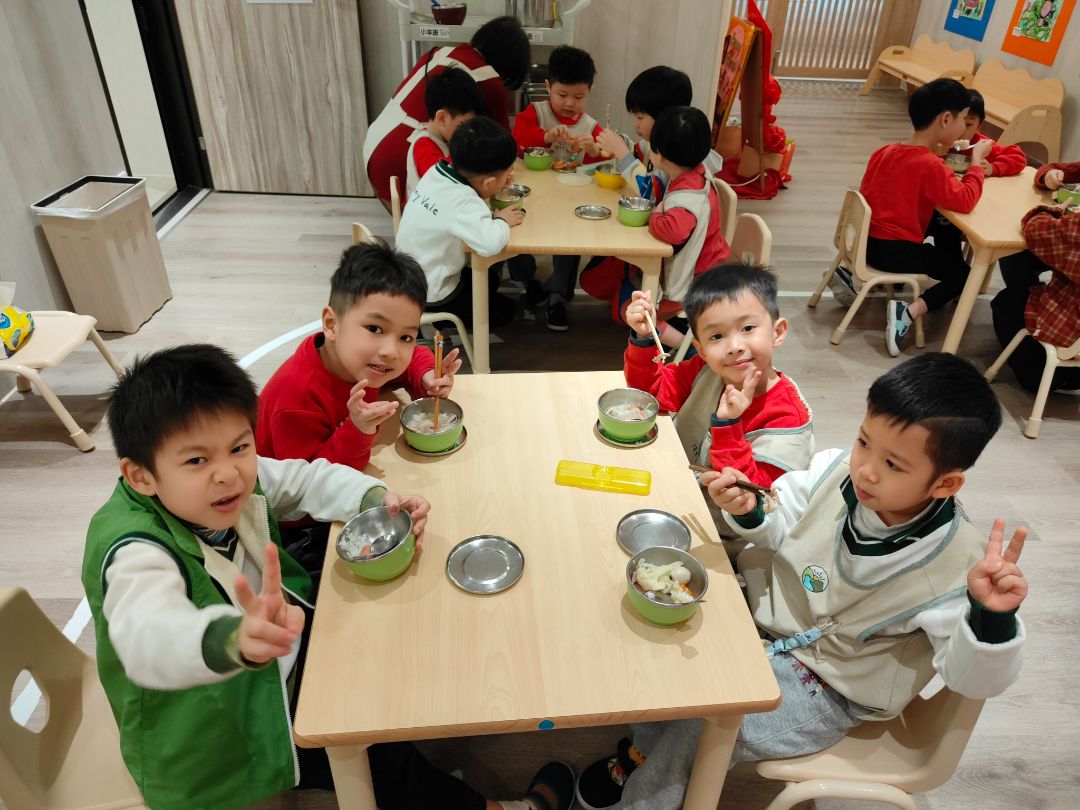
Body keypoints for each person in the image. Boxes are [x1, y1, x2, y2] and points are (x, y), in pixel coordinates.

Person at [82, 344, 575, 810]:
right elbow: (147, 636)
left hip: (272, 665)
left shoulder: (229, 481)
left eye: (239, 446)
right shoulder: (133, 549)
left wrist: (378, 500)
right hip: (213, 738)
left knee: (380, 652)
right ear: (140, 476)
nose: (228, 473)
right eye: (197, 460)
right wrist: (231, 639)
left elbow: (304, 480)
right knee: (376, 749)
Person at [578, 353, 1028, 810]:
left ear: (945, 484)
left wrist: (993, 619)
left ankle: (642, 798)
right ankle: (644, 753)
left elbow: (973, 680)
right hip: (768, 628)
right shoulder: (834, 472)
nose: (866, 469)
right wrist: (749, 510)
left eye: (893, 464)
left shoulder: (961, 568)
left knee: (705, 725)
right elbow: (780, 522)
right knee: (676, 656)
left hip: (828, 690)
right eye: (863, 441)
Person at [256, 241, 461, 570]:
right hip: (299, 527)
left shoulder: (360, 361)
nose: (391, 351)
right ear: (331, 324)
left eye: (406, 336)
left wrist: (426, 376)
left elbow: (411, 359)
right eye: (374, 329)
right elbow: (308, 491)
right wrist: (357, 430)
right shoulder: (296, 397)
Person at [623, 264, 812, 487]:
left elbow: (753, 496)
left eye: (747, 328)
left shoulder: (787, 420)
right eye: (717, 336)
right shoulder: (705, 369)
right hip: (678, 481)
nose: (734, 347)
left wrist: (727, 424)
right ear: (702, 350)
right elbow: (651, 393)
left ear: (777, 332)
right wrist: (644, 337)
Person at [857, 78, 990, 357]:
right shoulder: (929, 165)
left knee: (944, 226)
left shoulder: (884, 151)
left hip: (865, 244)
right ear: (946, 119)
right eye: (963, 120)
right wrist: (977, 162)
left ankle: (941, 280)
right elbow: (965, 200)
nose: (963, 128)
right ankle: (909, 311)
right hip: (894, 252)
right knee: (967, 277)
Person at [364, 16, 529, 207]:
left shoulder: (440, 52)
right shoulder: (488, 79)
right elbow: (501, 142)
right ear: (509, 64)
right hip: (396, 158)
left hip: (375, 141)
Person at [396, 116, 523, 329]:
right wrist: (501, 220)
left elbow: (460, 207)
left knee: (490, 280)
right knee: (506, 312)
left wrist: (494, 184)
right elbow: (490, 244)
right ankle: (441, 323)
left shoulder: (437, 172)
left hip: (406, 277)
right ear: (488, 182)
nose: (509, 177)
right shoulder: (463, 201)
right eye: (507, 174)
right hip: (431, 293)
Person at [513, 45, 605, 331]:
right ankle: (527, 281)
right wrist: (545, 136)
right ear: (548, 87)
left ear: (589, 91)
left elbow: (601, 164)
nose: (569, 103)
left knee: (569, 243)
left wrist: (594, 150)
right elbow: (518, 138)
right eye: (562, 94)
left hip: (570, 198)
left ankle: (558, 297)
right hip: (532, 193)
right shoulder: (536, 112)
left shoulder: (590, 126)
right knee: (515, 233)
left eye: (579, 97)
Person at [630, 106, 731, 345]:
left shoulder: (688, 197)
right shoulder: (696, 173)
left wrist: (655, 216)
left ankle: (692, 347)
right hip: (711, 263)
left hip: (697, 279)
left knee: (641, 312)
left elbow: (673, 231)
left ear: (662, 156)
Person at [990, 158, 1080, 391]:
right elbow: (1051, 169)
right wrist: (1048, 176)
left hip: (1072, 327)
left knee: (1006, 300)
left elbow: (1035, 229)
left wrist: (1053, 211)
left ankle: (1042, 372)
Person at [595, 65, 723, 204]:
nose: (635, 124)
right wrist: (620, 143)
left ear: (665, 116)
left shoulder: (676, 155)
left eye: (640, 117)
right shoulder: (655, 142)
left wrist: (620, 151)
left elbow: (652, 194)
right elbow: (637, 154)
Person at [404, 66, 487, 198]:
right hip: (430, 210)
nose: (467, 133)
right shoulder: (424, 147)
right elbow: (447, 183)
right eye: (462, 126)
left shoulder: (444, 138)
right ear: (442, 118)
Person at [953, 89, 1027, 178]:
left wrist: (993, 168)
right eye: (955, 122)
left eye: (968, 125)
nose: (961, 130)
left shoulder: (983, 145)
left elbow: (1019, 158)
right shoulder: (939, 143)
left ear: (979, 126)